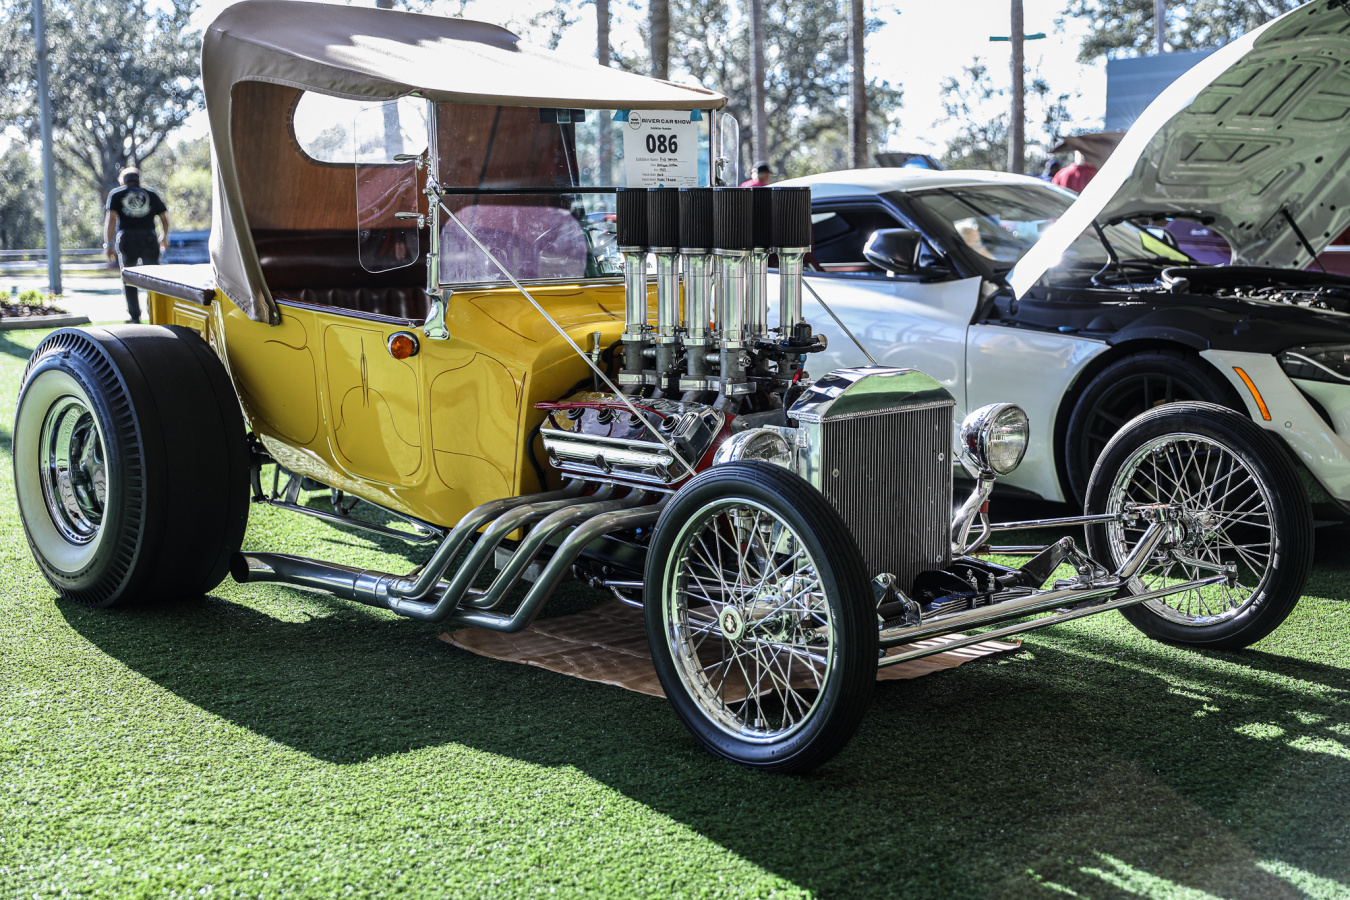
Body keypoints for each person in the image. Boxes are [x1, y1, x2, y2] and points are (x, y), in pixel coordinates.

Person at [104, 167, 170, 324]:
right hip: (149, 237)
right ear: (139, 179)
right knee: (153, 278)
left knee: (129, 277)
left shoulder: (116, 194)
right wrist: (164, 237)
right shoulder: (151, 194)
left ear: (123, 181)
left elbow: (111, 219)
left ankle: (135, 317)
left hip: (127, 238)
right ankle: (154, 314)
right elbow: (164, 218)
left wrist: (108, 243)